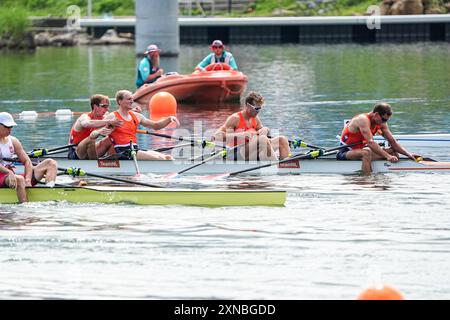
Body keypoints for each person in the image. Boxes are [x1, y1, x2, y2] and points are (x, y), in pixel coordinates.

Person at [336, 102, 418, 174]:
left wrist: (408, 154)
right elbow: (370, 142)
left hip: (359, 149)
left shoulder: (381, 122)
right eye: (383, 119)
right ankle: (367, 178)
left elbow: (393, 142)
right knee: (366, 153)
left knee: (393, 151)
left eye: (386, 120)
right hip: (345, 151)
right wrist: (387, 156)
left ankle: (381, 171)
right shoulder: (362, 120)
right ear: (376, 114)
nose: (384, 122)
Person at [213, 91, 290, 161]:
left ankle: (288, 164)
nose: (258, 111)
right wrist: (240, 135)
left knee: (282, 139)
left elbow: (267, 135)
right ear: (247, 105)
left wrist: (266, 129)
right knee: (262, 139)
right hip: (236, 153)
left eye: (260, 108)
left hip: (252, 152)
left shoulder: (255, 119)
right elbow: (217, 136)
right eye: (256, 108)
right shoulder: (235, 118)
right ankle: (277, 165)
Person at [105, 90, 180, 160]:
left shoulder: (137, 116)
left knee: (167, 157)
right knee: (160, 159)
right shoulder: (112, 116)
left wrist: (169, 119)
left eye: (132, 99)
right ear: (120, 101)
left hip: (134, 149)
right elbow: (98, 126)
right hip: (123, 152)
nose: (132, 101)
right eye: (129, 99)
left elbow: (156, 126)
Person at [0, 112, 57, 203]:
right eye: (7, 127)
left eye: (11, 127)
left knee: (50, 163)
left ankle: (49, 192)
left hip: (11, 176)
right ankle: (26, 207)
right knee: (19, 179)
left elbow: (27, 161)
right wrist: (9, 172)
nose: (10, 129)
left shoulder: (13, 141)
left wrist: (28, 179)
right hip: (2, 176)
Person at [68, 94, 122, 160]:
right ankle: (95, 165)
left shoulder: (105, 117)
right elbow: (86, 124)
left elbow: (119, 119)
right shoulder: (84, 117)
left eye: (107, 107)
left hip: (90, 150)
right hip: (76, 152)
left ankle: (111, 162)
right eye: (104, 106)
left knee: (112, 138)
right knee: (91, 138)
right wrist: (109, 122)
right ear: (95, 106)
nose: (107, 109)